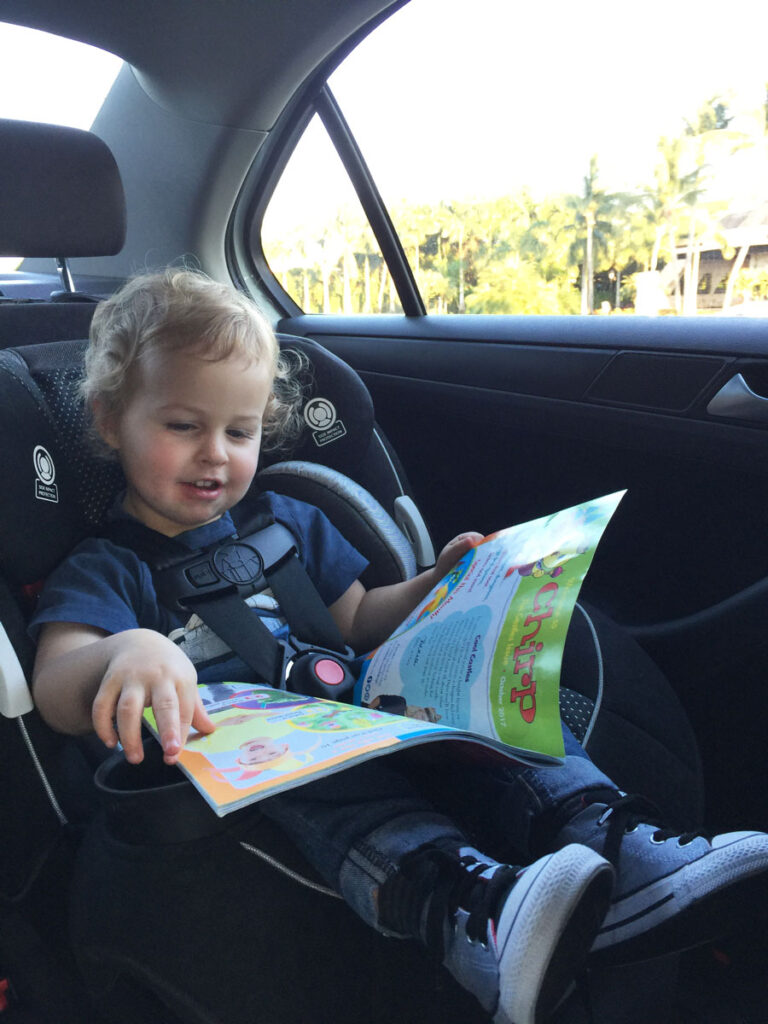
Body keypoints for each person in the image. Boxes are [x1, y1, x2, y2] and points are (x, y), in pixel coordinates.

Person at [30, 270, 768, 1024]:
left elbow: (356, 620)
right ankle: (462, 907)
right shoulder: (107, 567)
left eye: (240, 432)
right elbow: (57, 685)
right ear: (111, 419)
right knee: (332, 787)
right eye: (183, 427)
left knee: (491, 720)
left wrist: (441, 583)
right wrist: (127, 654)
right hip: (245, 751)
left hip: (356, 703)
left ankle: (613, 837)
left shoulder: (285, 520)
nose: (216, 455)